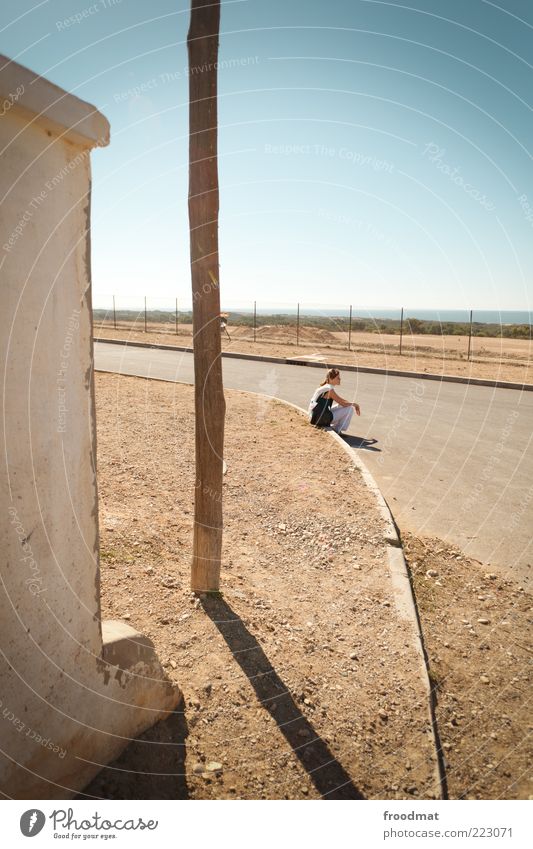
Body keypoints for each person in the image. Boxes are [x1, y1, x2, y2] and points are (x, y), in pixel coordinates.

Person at [308, 367, 361, 434]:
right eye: (338, 378)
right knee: (350, 409)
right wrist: (355, 405)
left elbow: (341, 401)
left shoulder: (325, 387)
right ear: (331, 378)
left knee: (341, 406)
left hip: (314, 416)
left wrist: (351, 403)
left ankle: (335, 427)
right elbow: (343, 403)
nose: (340, 379)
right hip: (320, 419)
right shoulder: (330, 390)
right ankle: (338, 429)